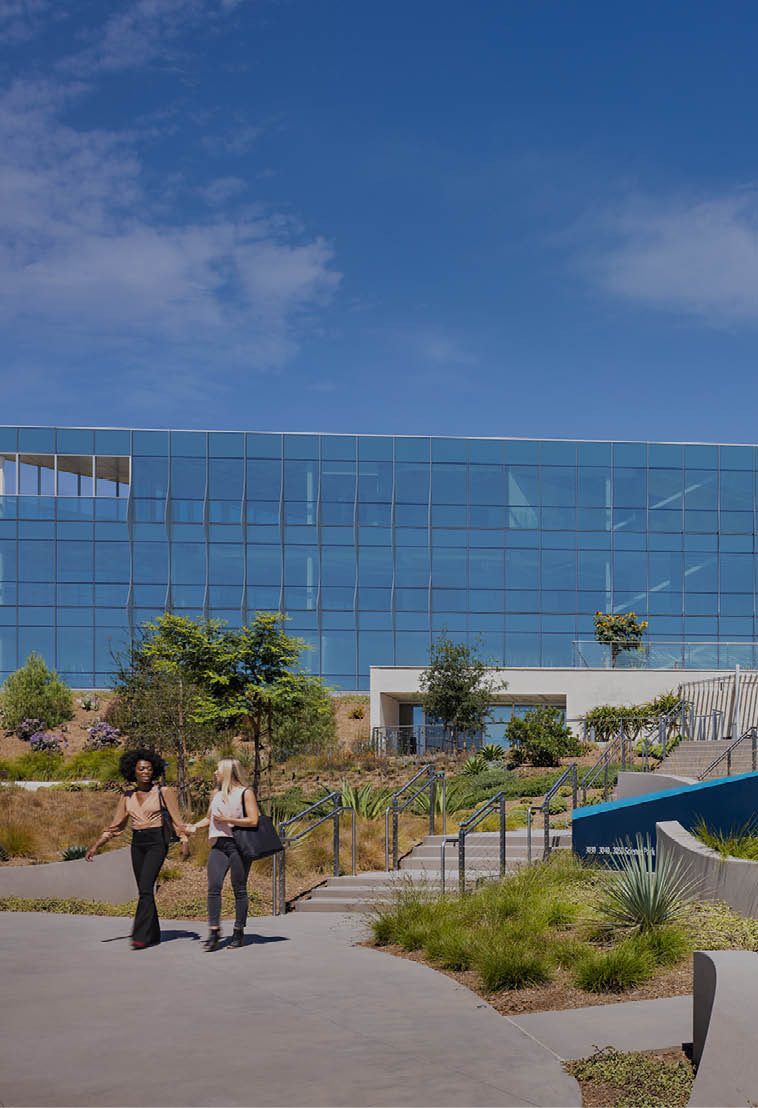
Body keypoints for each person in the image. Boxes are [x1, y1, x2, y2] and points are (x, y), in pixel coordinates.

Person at [86, 748, 189, 949]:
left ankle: (140, 936)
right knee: (145, 890)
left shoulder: (164, 792)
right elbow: (115, 826)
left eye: (149, 769)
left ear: (154, 770)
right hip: (138, 843)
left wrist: (184, 840)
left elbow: (178, 821)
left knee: (144, 888)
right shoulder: (127, 797)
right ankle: (154, 933)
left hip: (157, 842)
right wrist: (96, 846)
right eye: (141, 769)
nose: (145, 772)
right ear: (133, 771)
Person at [186, 757, 260, 951]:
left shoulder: (246, 793)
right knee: (214, 886)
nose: (214, 773)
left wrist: (227, 819)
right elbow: (209, 818)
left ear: (227, 772)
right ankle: (214, 931)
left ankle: (238, 931)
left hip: (239, 846)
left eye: (217, 770)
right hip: (219, 844)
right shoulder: (216, 794)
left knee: (239, 889)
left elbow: (253, 820)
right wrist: (194, 827)